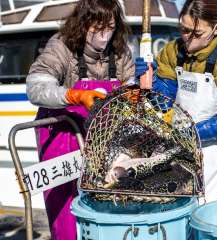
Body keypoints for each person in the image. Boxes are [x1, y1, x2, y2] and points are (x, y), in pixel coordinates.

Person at [26, 0, 134, 239]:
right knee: (65, 215)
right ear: (84, 24)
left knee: (109, 207)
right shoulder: (61, 46)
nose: (104, 35)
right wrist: (73, 95)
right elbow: (35, 87)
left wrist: (134, 95)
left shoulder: (121, 51)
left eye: (110, 27)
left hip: (104, 140)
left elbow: (130, 86)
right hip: (61, 138)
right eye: (97, 28)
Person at [135, 0, 217, 203]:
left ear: (216, 29)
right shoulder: (173, 51)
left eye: (197, 34)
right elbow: (164, 101)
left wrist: (194, 133)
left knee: (211, 211)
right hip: (178, 147)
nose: (188, 40)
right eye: (184, 30)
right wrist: (151, 81)